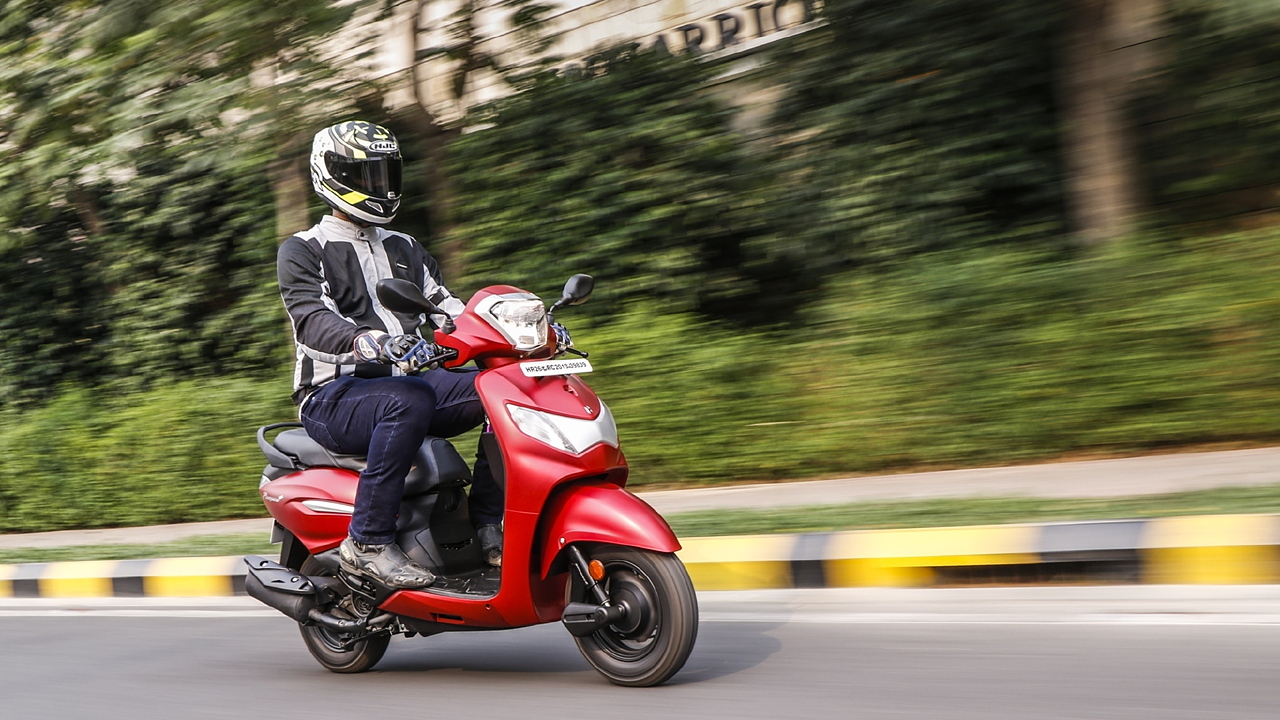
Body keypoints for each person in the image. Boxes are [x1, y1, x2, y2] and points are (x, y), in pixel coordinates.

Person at [277, 120, 502, 590]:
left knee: (503, 389)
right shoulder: (304, 249)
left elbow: (451, 311)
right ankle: (368, 543)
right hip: (334, 395)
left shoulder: (405, 247)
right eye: (365, 176)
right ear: (331, 175)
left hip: (409, 382)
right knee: (409, 398)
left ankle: (489, 523)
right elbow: (311, 319)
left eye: (383, 175)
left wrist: (519, 332)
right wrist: (366, 341)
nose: (377, 187)